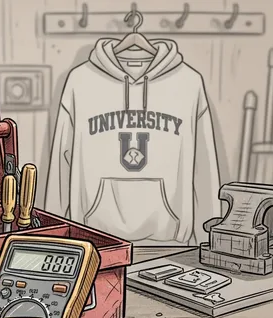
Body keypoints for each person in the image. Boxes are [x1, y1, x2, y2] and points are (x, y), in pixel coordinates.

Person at [44, 38, 221, 246]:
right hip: (95, 243)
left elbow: (204, 167)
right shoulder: (80, 80)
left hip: (171, 245)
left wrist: (209, 243)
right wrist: (53, 241)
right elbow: (61, 164)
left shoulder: (189, 83)